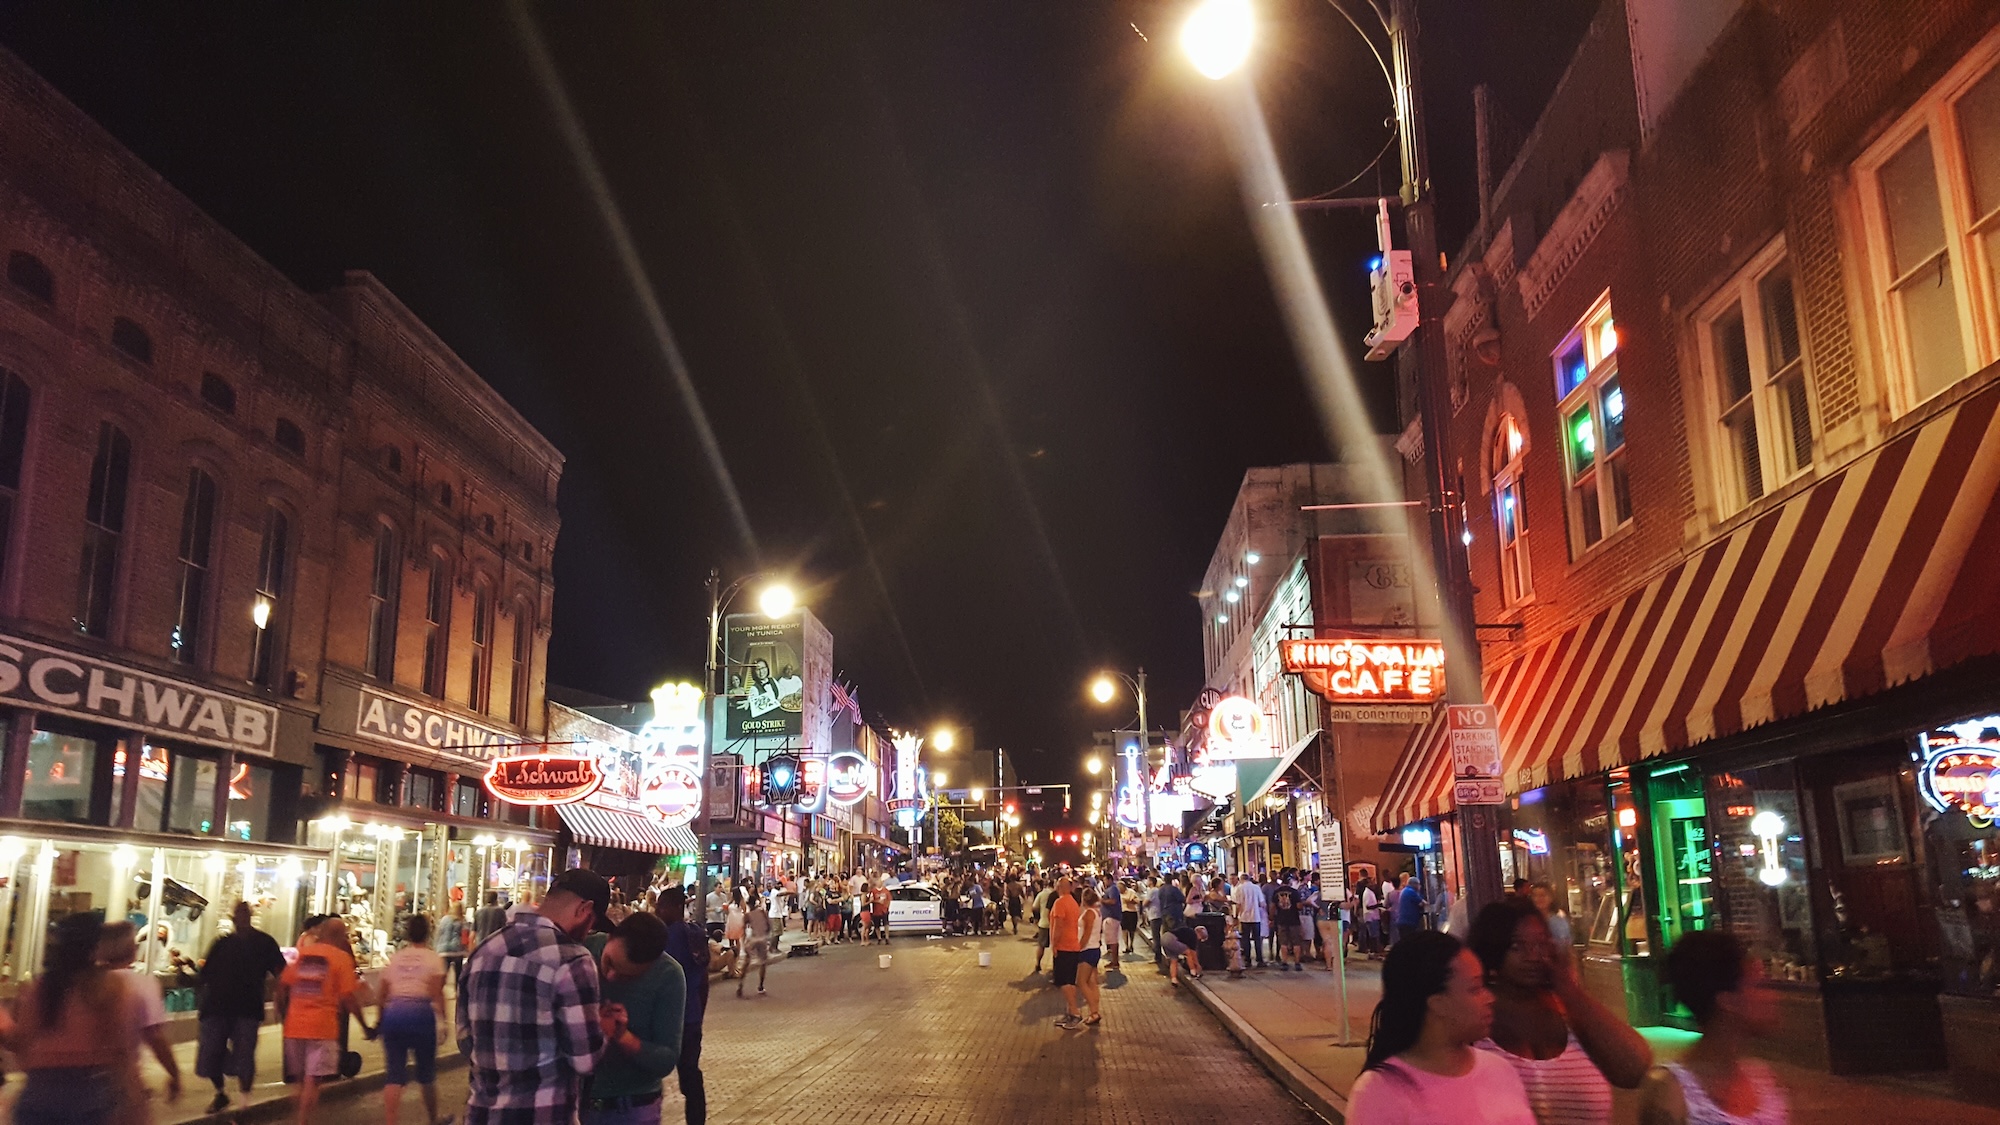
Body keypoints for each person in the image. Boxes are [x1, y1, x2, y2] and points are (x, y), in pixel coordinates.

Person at [1469, 896, 1651, 1125]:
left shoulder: (1569, 1014)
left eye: (1541, 944)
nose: (1534, 956)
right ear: (1493, 949)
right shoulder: (1476, 1025)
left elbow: (1635, 1069)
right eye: (1517, 946)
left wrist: (1568, 989)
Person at [459, 869, 609, 1125]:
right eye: (592, 923)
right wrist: (604, 1028)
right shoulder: (572, 959)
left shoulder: (483, 951)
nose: (588, 933)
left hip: (482, 1115)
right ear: (584, 909)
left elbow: (465, 1041)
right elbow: (584, 1061)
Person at [1345, 931, 1537, 1125]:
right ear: (1438, 1004)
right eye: (1475, 989)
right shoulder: (1379, 1092)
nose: (1489, 998)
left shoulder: (1499, 1070)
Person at [1637, 931, 1787, 1125]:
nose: (1773, 996)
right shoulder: (1670, 1094)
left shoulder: (1762, 1079)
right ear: (1727, 1001)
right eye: (1758, 985)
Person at [6, 915, 136, 1125]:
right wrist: (131, 1095)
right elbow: (120, 1047)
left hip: (40, 1091)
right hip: (89, 1091)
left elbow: (20, 1042)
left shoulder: (42, 987)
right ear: (95, 946)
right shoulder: (106, 987)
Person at [583, 912, 687, 1125]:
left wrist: (623, 1036)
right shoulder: (584, 950)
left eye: (627, 976)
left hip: (632, 1108)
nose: (611, 976)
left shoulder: (668, 975)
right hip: (575, 1102)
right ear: (610, 937)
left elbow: (667, 1058)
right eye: (609, 963)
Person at [196, 901, 286, 1114]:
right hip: (217, 1006)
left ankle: (244, 1099)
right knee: (211, 1052)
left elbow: (281, 973)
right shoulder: (222, 943)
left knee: (244, 1053)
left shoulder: (264, 942)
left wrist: (280, 1000)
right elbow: (205, 975)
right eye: (238, 915)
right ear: (233, 919)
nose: (241, 919)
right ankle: (221, 1093)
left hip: (247, 1007)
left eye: (245, 914)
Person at [281, 916, 373, 1125]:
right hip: (322, 1028)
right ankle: (302, 1122)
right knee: (313, 1082)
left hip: (294, 1026)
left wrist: (282, 1014)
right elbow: (348, 998)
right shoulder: (341, 958)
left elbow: (283, 985)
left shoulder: (302, 954)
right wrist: (364, 1025)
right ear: (340, 936)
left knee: (299, 1083)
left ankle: (298, 1117)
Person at [98, 921, 182, 1125]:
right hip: (120, 1079)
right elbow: (155, 1037)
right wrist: (174, 1073)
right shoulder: (142, 984)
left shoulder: (81, 982)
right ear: (131, 949)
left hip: (71, 1078)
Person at [379, 914, 451, 1125]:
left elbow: (382, 993)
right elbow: (437, 993)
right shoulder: (433, 959)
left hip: (394, 1013)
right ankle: (432, 1119)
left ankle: (391, 1121)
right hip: (420, 1014)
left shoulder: (396, 957)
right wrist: (443, 1022)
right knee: (426, 1072)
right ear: (429, 933)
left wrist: (379, 1020)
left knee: (394, 1074)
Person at [657, 885, 712, 1125]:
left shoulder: (664, 937)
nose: (658, 911)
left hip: (667, 1019)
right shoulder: (695, 935)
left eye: (662, 907)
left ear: (675, 908)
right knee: (690, 1075)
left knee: (650, 1075)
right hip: (691, 1017)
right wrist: (700, 1012)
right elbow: (704, 980)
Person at [1048, 874, 1086, 1029]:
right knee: (1070, 981)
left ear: (1060, 888)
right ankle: (1070, 1011)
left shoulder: (1060, 903)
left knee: (1063, 982)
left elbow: (1058, 926)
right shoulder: (1073, 902)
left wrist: (1054, 944)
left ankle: (1075, 1012)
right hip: (1073, 946)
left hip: (1064, 947)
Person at [1075, 888, 1105, 1027]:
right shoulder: (1097, 912)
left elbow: (1086, 935)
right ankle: (1094, 1011)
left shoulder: (1088, 914)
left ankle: (1094, 1012)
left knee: (1081, 982)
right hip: (1095, 949)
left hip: (1087, 950)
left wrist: (1077, 949)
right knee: (1092, 981)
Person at [737, 894, 772, 997]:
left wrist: (743, 942)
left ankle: (741, 985)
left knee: (746, 963)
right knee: (763, 963)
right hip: (762, 939)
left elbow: (743, 929)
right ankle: (760, 986)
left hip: (752, 939)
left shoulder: (747, 915)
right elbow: (769, 926)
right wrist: (766, 935)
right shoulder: (762, 912)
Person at [1232, 872, 1269, 968]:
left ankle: (1247, 959)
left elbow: (1238, 904)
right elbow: (1262, 903)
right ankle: (1259, 959)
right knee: (1257, 938)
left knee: (1246, 938)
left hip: (1244, 917)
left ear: (1241, 879)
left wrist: (1236, 916)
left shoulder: (1239, 888)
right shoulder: (1256, 888)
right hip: (1256, 916)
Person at [1272, 881, 1306, 972]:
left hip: (1281, 920)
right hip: (1294, 920)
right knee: (1296, 943)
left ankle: (1284, 962)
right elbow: (1299, 906)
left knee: (1283, 943)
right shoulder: (1294, 892)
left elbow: (1272, 907)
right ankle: (1297, 963)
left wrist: (1271, 918)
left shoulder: (1276, 892)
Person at [1530, 883, 1574, 950]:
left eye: (1542, 895)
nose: (1538, 899)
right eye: (1535, 896)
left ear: (1551, 898)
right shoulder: (1528, 921)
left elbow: (1565, 945)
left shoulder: (1559, 921)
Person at [1030, 878, 1058, 975]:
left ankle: (1038, 964)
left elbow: (1034, 907)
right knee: (1056, 946)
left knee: (1041, 946)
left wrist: (1037, 917)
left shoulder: (1041, 894)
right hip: (1056, 924)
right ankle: (1056, 966)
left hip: (1044, 923)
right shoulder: (1057, 895)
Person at [1394, 873, 1428, 947]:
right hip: (1408, 923)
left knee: (1405, 944)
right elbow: (1422, 903)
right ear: (1414, 884)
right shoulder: (1411, 892)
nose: (1420, 886)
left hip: (1402, 922)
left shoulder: (1405, 891)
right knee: (1410, 944)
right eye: (1418, 884)